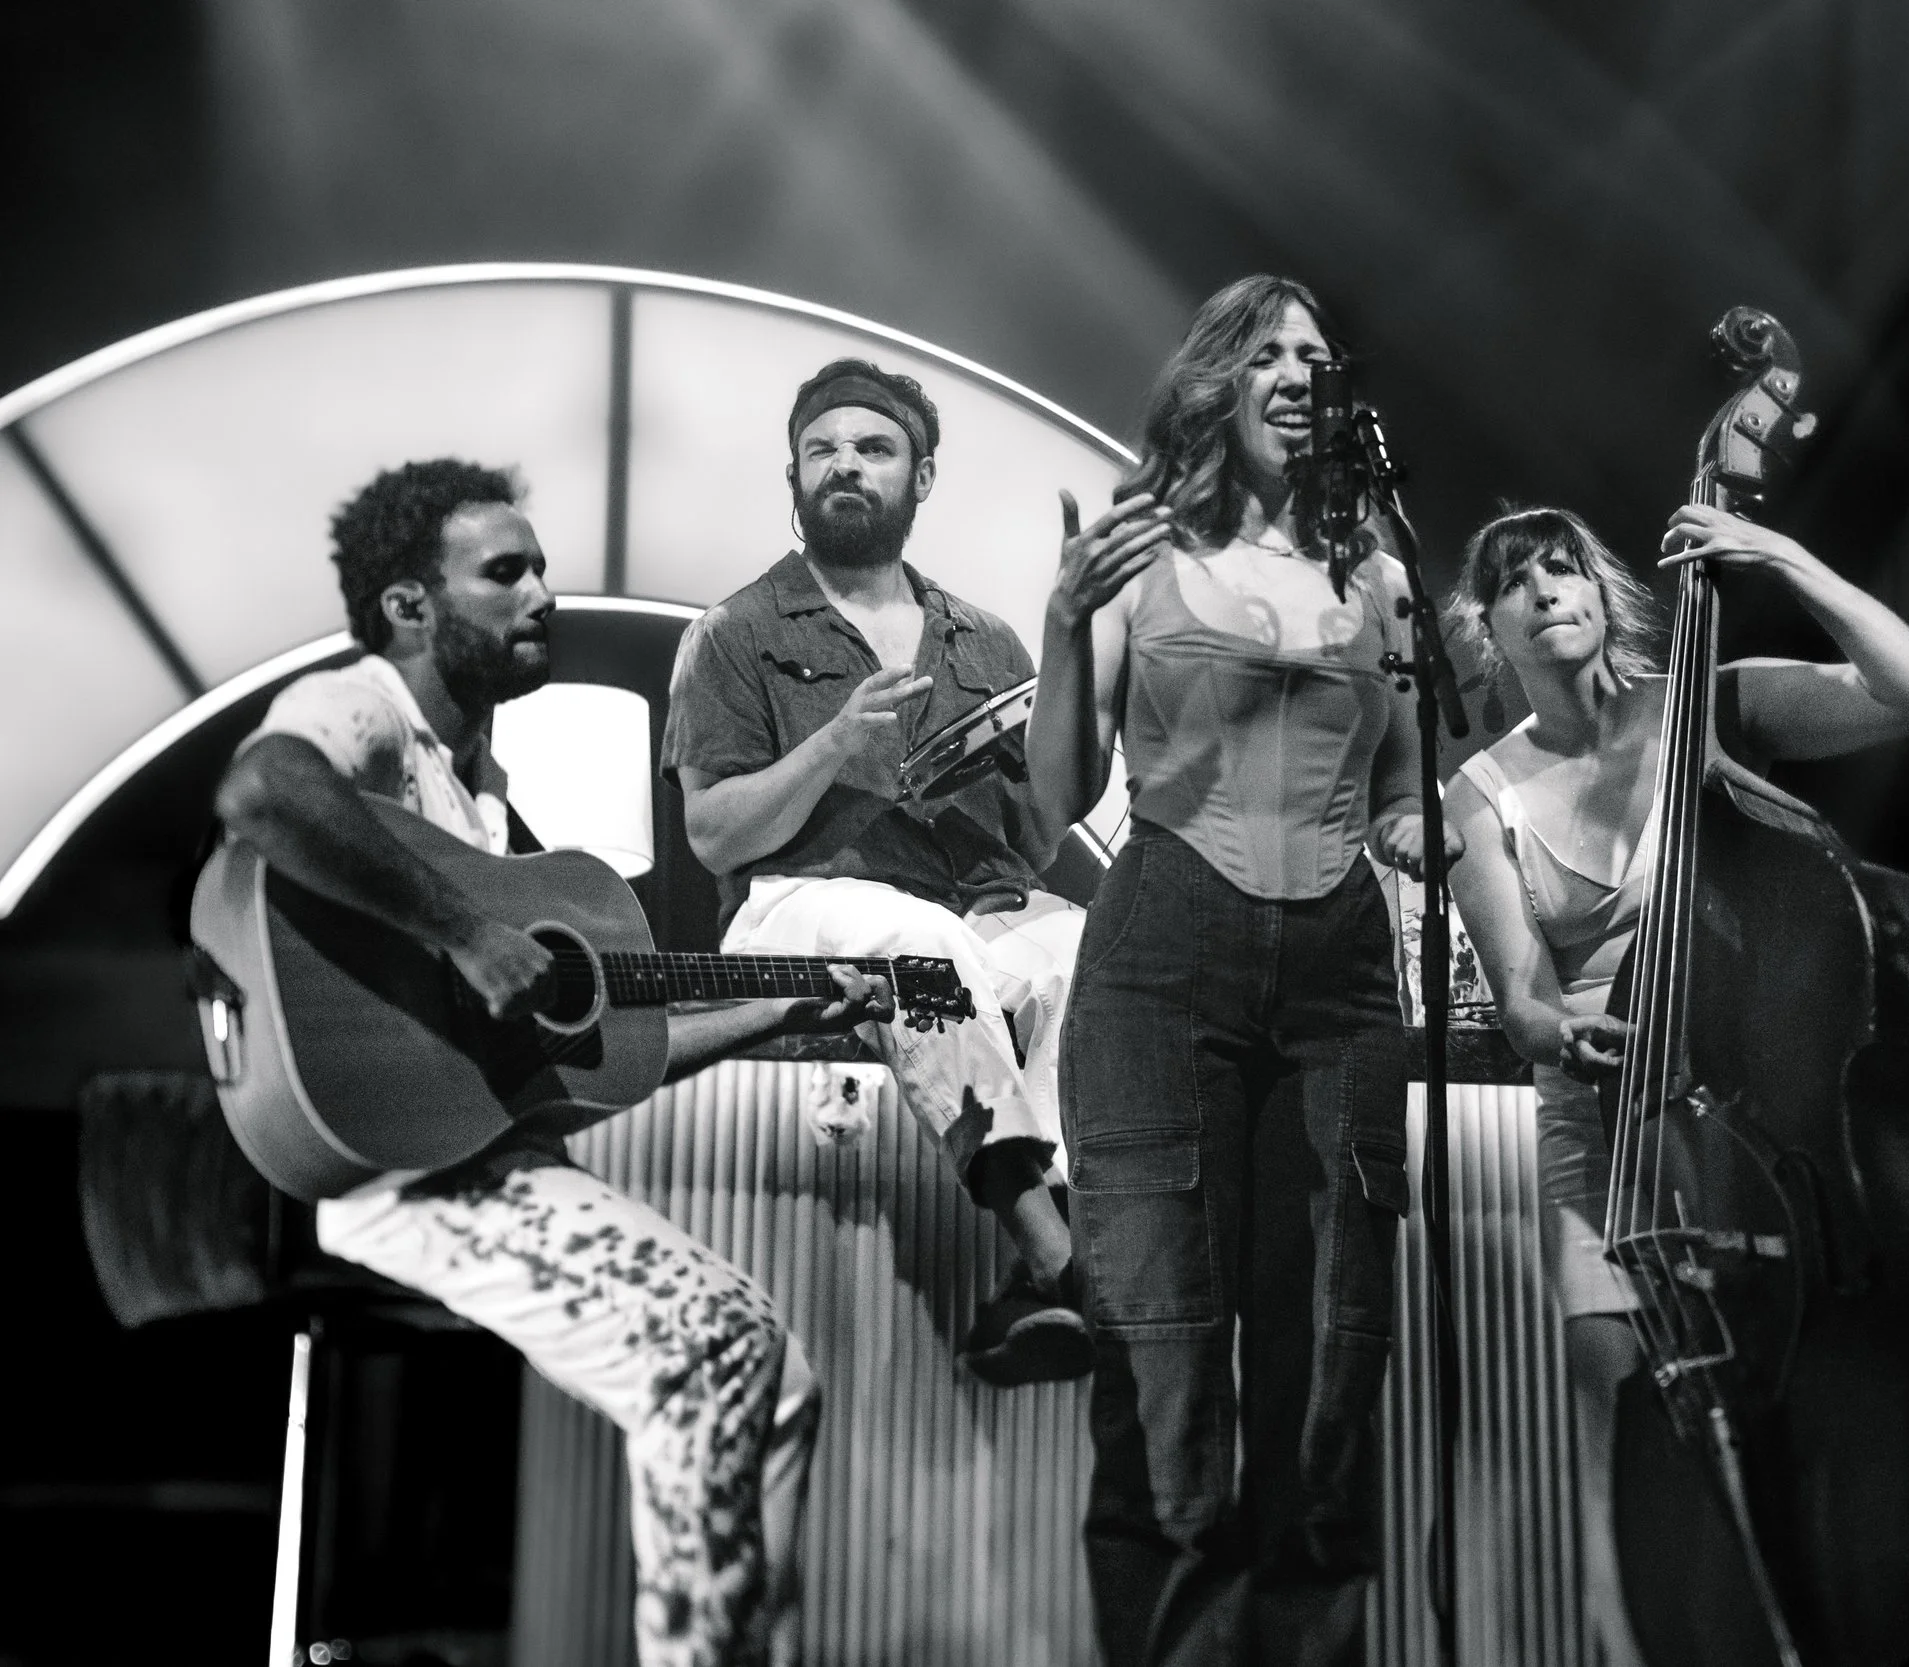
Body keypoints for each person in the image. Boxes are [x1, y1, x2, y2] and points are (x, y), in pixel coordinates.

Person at [212, 459, 870, 1667]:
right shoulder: (365, 705)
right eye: (504, 572)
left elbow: (608, 1046)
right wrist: (463, 930)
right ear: (412, 605)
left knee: (780, 1386)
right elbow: (264, 789)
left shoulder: (483, 804)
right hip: (406, 1176)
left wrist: (798, 1005)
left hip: (485, 1155)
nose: (541, 594)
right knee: (712, 1345)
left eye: (541, 570)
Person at [1439, 502, 1909, 1664]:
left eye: (1563, 566)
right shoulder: (1481, 792)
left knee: (1803, 1391)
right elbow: (1521, 992)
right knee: (1615, 1429)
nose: (1547, 590)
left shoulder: (1709, 703)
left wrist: (1782, 556)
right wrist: (1545, 1030)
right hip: (1605, 1131)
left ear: (1601, 589)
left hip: (1755, 1111)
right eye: (1516, 581)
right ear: (1489, 625)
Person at [1026, 275, 1454, 1667]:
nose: (1296, 369)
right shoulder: (1137, 553)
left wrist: (1446, 839)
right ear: (1217, 379)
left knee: (1332, 1360)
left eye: (1318, 353)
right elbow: (1057, 797)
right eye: (1267, 349)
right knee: (1163, 1353)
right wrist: (1056, 623)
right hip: (1166, 952)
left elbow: (1400, 792)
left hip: (1339, 966)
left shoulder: (1381, 578)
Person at [662, 358, 1092, 1386]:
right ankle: (1061, 1258)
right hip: (796, 907)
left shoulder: (981, 637)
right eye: (823, 449)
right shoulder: (734, 631)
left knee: (1088, 946)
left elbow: (1034, 840)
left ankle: (1042, 1282)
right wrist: (832, 748)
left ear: (922, 475)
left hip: (970, 906)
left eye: (873, 447)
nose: (844, 465)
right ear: (794, 479)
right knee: (921, 945)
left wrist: (1075, 645)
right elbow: (714, 835)